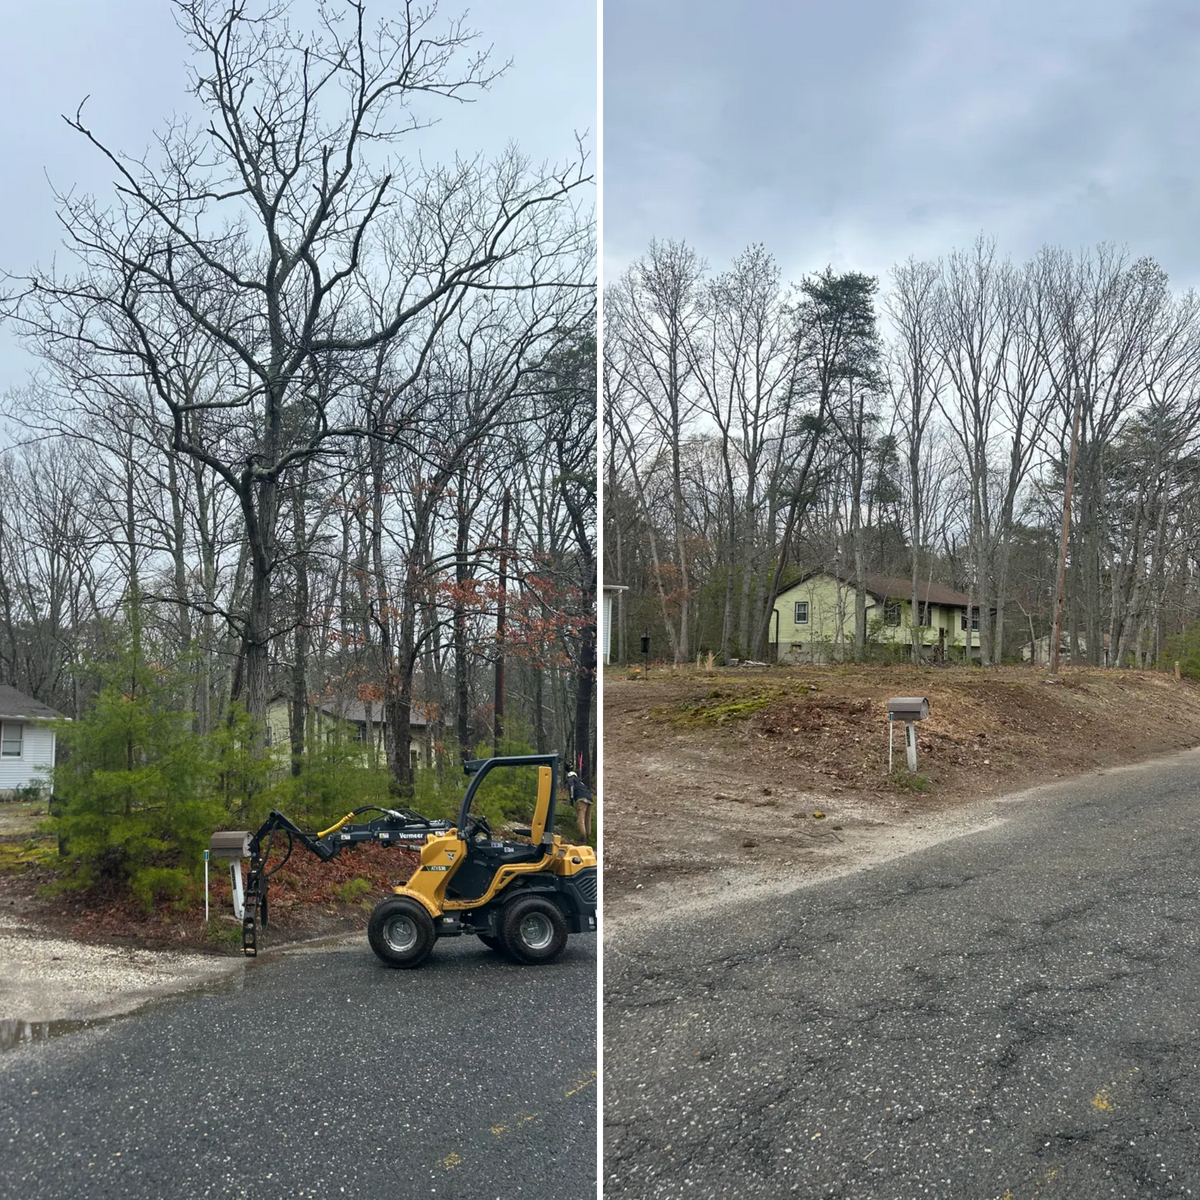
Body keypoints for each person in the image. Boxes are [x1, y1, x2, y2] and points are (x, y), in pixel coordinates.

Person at [565, 770, 594, 843]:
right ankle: (588, 835)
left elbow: (571, 788)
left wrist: (571, 800)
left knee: (580, 819)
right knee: (587, 819)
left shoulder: (571, 779)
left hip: (581, 799)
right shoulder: (580, 782)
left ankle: (582, 837)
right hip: (590, 800)